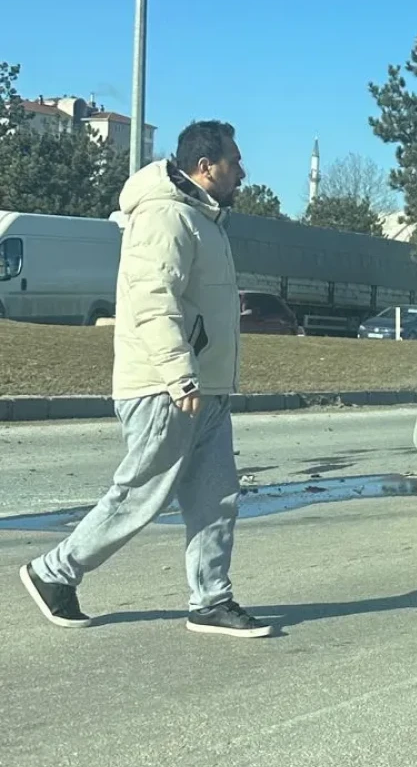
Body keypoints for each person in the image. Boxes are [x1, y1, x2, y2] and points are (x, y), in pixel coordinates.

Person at [19, 121, 273, 638]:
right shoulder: (165, 216)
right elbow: (153, 301)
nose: (241, 171)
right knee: (138, 494)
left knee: (215, 496)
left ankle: (210, 600)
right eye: (234, 161)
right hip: (166, 387)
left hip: (203, 388)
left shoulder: (202, 218)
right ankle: (54, 572)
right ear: (206, 167)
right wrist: (180, 376)